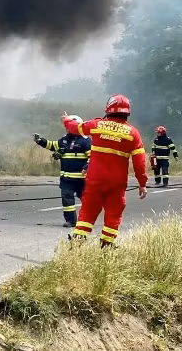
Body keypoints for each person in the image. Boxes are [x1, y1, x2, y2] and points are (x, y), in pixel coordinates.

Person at [61, 95, 148, 248]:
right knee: (114, 213)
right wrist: (142, 183)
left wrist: (67, 120)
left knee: (87, 211)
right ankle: (107, 245)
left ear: (108, 109)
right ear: (127, 112)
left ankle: (78, 243)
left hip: (95, 180)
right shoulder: (133, 134)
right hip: (117, 183)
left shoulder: (97, 125)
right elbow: (139, 163)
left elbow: (75, 128)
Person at [33, 114, 91, 228]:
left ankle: (87, 220)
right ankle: (71, 221)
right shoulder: (64, 139)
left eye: (70, 126)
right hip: (66, 179)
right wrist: (40, 141)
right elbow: (52, 145)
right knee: (67, 200)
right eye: (67, 127)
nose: (68, 129)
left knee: (87, 200)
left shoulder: (85, 141)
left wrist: (86, 167)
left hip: (82, 179)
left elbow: (92, 157)